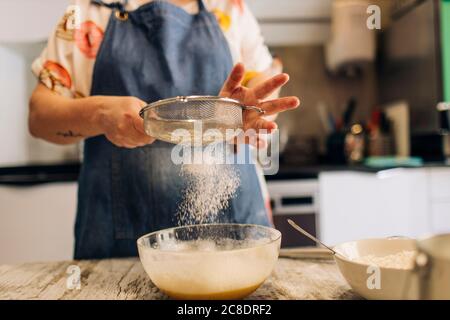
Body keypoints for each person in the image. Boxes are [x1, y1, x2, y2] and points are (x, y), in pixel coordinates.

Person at [28, 0, 300, 259]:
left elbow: (263, 79)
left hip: (234, 234)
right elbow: (39, 117)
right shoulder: (88, 11)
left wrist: (252, 108)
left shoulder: (228, 6)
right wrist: (99, 114)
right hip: (120, 246)